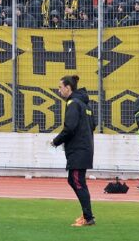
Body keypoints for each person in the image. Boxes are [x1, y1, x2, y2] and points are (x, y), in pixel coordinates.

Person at [51, 75, 95, 227]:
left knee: (77, 181)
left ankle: (88, 217)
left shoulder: (73, 103)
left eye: (60, 87)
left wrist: (56, 141)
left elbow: (69, 128)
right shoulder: (85, 104)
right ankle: (86, 214)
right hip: (85, 148)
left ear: (68, 88)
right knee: (74, 180)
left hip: (79, 150)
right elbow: (93, 125)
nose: (59, 90)